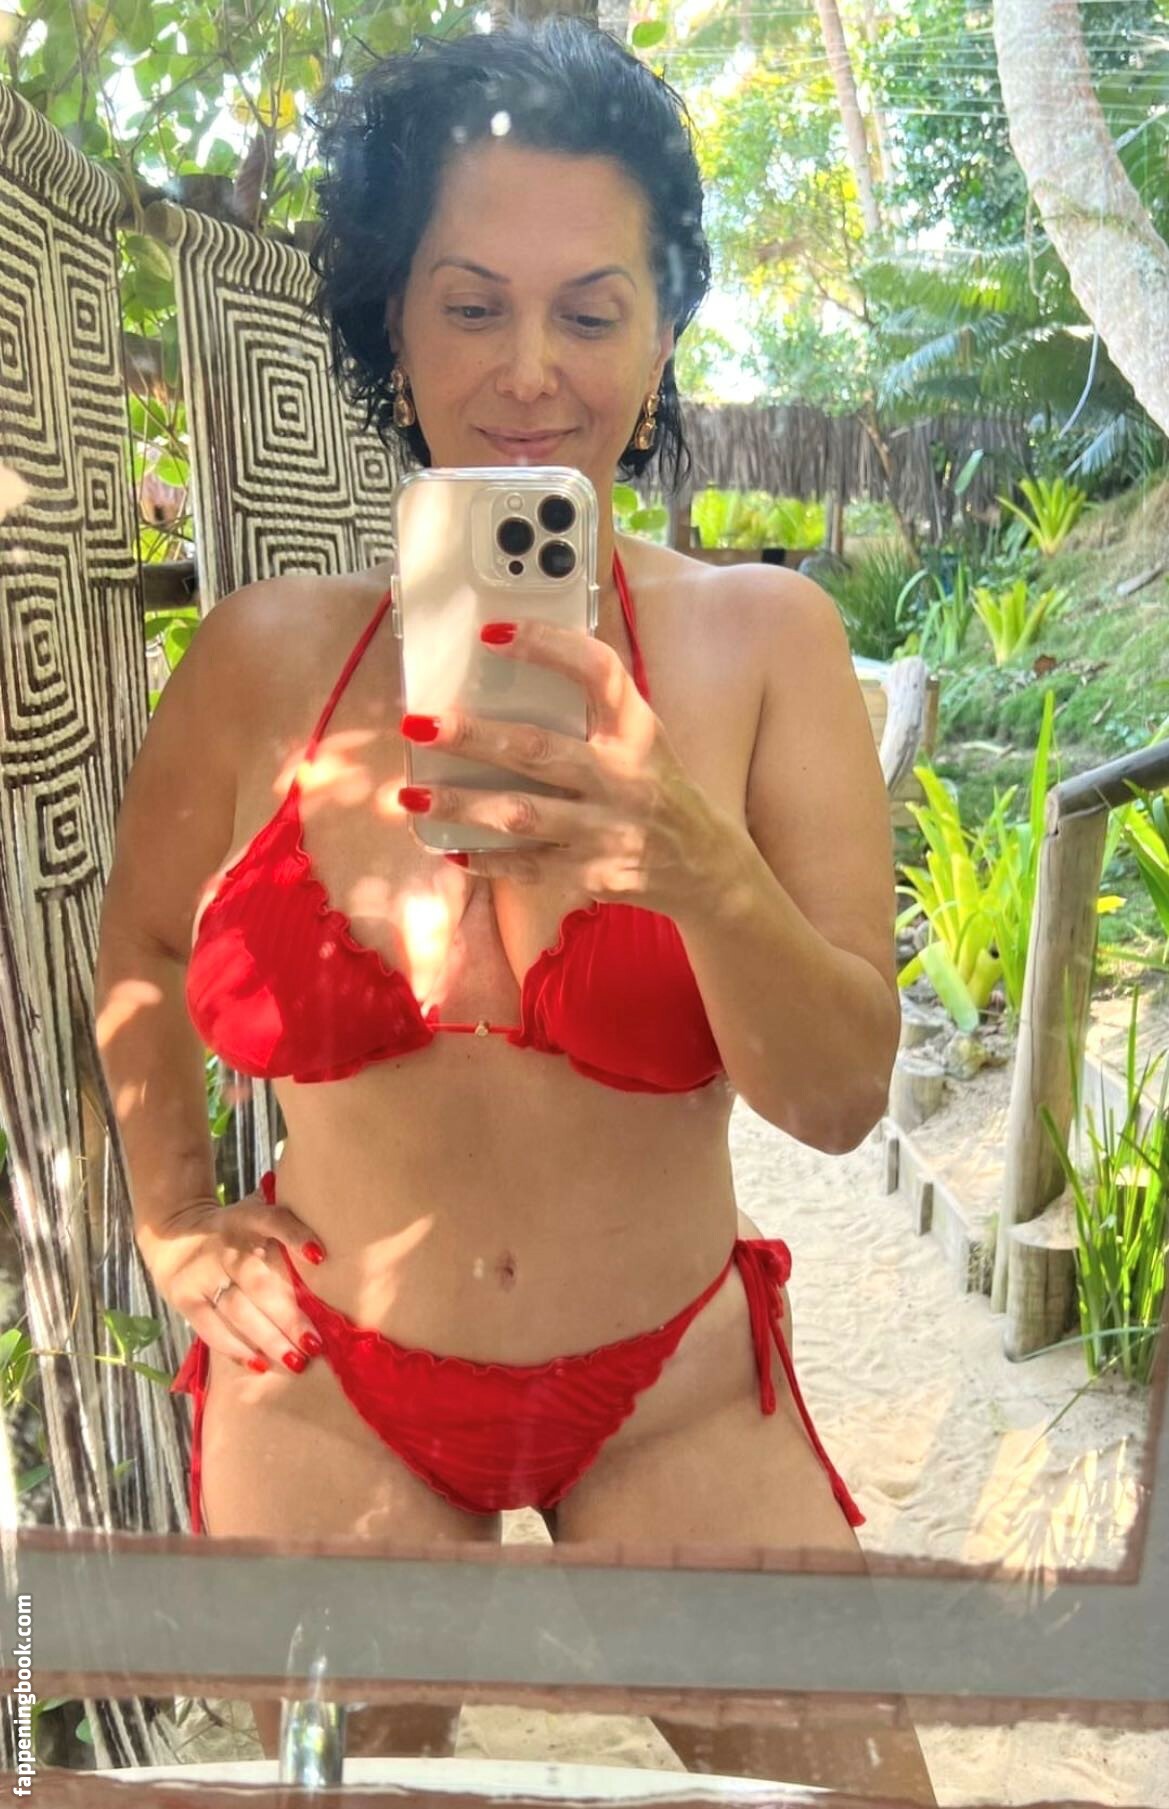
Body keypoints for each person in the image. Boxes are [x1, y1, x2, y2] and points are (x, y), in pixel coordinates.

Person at [95, 17, 935, 1802]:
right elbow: (142, 950)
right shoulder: (259, 658)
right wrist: (171, 1219)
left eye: (590, 309)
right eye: (471, 305)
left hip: (675, 1384)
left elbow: (838, 1093)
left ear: (663, 326)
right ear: (391, 326)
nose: (530, 368)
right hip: (329, 1385)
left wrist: (696, 863)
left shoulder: (765, 643)